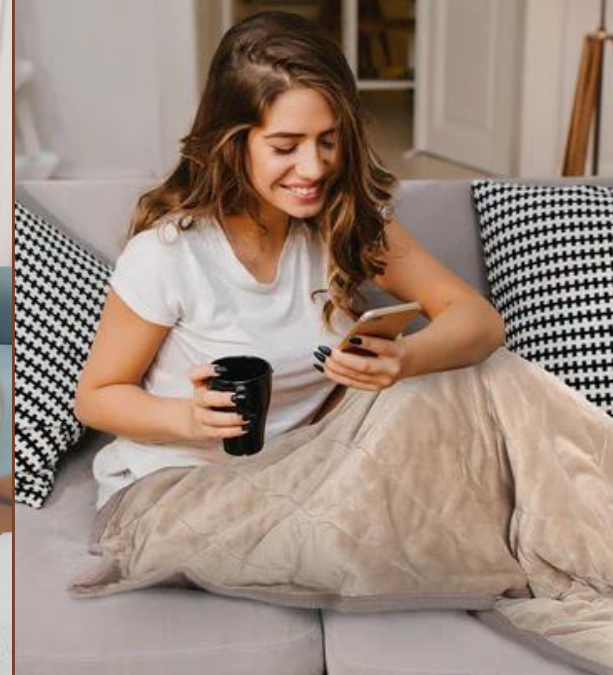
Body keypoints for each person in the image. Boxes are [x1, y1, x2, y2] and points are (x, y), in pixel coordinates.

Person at [74, 12, 506, 500]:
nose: (314, 167)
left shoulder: (346, 223)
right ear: (232, 145)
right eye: (285, 146)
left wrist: (405, 357)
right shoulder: (169, 254)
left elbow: (480, 322)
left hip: (306, 473)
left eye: (328, 140)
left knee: (500, 384)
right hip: (184, 487)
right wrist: (188, 418)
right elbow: (95, 398)